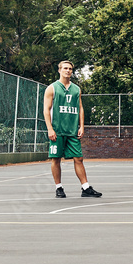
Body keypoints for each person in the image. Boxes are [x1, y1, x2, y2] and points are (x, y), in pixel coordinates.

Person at [43, 60, 102, 199]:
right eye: (65, 68)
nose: (68, 70)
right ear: (59, 70)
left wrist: (82, 126)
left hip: (72, 130)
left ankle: (85, 188)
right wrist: (50, 128)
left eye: (70, 68)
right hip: (57, 130)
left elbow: (80, 108)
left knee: (79, 158)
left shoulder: (76, 89)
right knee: (56, 159)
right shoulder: (52, 88)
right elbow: (46, 109)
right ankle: (59, 188)